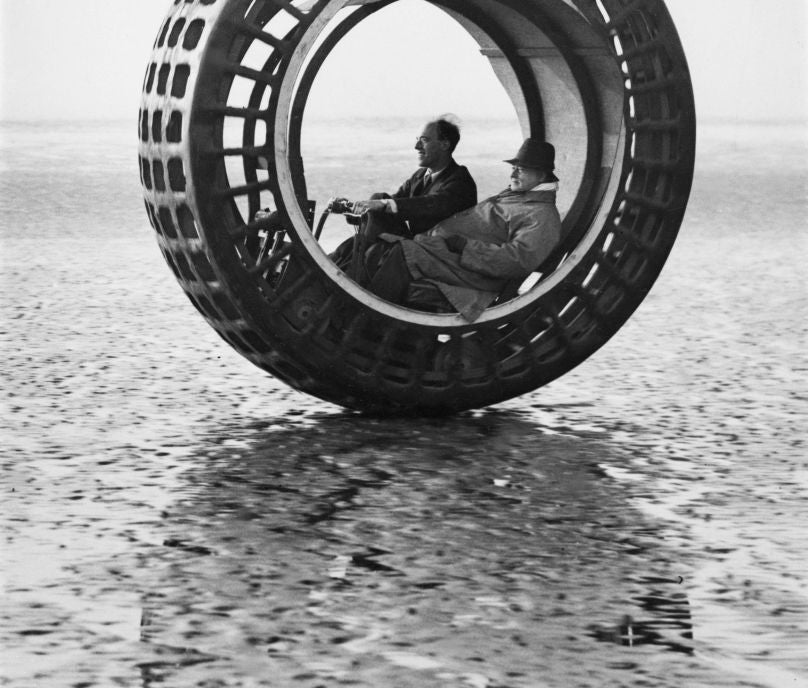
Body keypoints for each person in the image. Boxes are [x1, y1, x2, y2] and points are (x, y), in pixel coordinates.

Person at [363, 138, 562, 322]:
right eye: (514, 168)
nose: (513, 174)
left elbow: (517, 261)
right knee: (378, 230)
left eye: (522, 169)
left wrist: (464, 246)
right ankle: (352, 293)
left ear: (542, 175)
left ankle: (371, 321)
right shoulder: (519, 197)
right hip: (446, 254)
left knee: (403, 252)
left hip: (470, 272)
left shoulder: (541, 215)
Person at [329, 116, 477, 276]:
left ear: (444, 145)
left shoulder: (460, 180)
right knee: (378, 204)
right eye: (417, 140)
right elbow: (391, 204)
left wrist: (381, 204)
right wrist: (350, 208)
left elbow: (429, 204)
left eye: (424, 140)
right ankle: (338, 263)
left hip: (437, 253)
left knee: (379, 208)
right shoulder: (421, 176)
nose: (416, 146)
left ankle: (345, 269)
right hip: (417, 243)